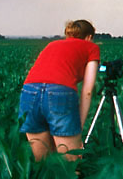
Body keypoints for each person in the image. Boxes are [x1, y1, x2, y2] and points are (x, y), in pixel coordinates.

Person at [18, 19, 100, 161]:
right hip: (59, 93)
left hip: (29, 92)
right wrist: (77, 127)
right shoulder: (90, 47)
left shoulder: (52, 44)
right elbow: (87, 90)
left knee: (42, 164)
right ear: (89, 37)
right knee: (70, 165)